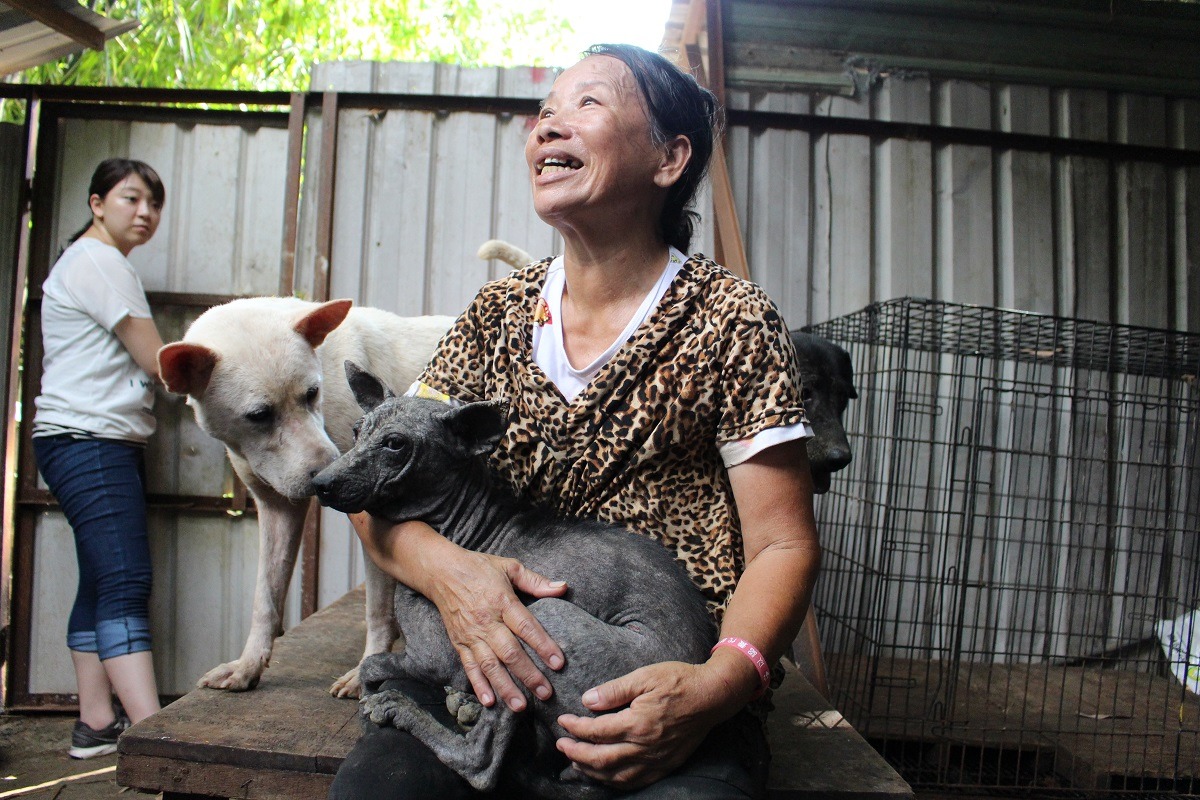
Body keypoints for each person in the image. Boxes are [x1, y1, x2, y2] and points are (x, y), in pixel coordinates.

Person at [331, 43, 819, 799]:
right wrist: (454, 577)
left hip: (662, 687)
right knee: (380, 792)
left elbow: (783, 545)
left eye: (586, 104)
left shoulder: (734, 322)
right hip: (483, 671)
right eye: (544, 112)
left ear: (669, 157)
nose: (549, 126)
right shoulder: (494, 316)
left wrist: (715, 689)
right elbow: (375, 479)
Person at [32, 158, 167, 758]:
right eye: (131, 199)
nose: (144, 213)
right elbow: (157, 361)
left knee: (100, 582)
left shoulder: (88, 262)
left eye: (154, 203)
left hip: (81, 439)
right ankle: (158, 736)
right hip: (90, 441)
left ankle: (95, 723)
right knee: (125, 580)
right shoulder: (99, 262)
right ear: (96, 203)